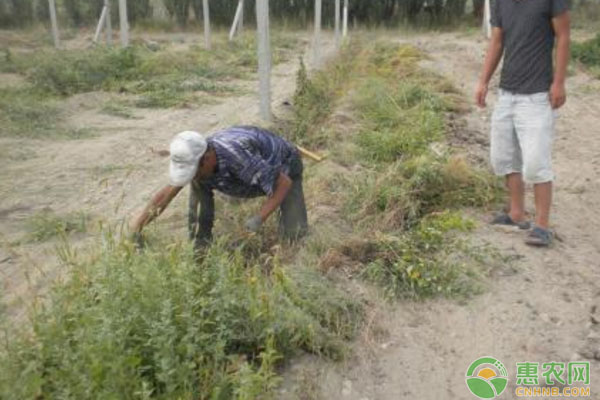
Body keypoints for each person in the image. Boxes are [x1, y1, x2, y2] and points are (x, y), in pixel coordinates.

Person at [475, 0, 570, 247]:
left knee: (536, 162)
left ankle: (542, 226)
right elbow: (497, 40)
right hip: (507, 93)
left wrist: (558, 83)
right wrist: (483, 81)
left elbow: (563, 36)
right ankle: (516, 214)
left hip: (538, 95)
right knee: (504, 158)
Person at [130, 126, 308, 249]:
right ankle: (201, 246)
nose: (192, 176)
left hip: (283, 165)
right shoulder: (197, 159)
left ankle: (294, 234)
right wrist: (137, 227)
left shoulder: (240, 159)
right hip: (242, 173)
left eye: (194, 170)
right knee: (199, 184)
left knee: (295, 234)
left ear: (207, 158)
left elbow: (283, 183)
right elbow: (166, 194)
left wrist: (258, 219)